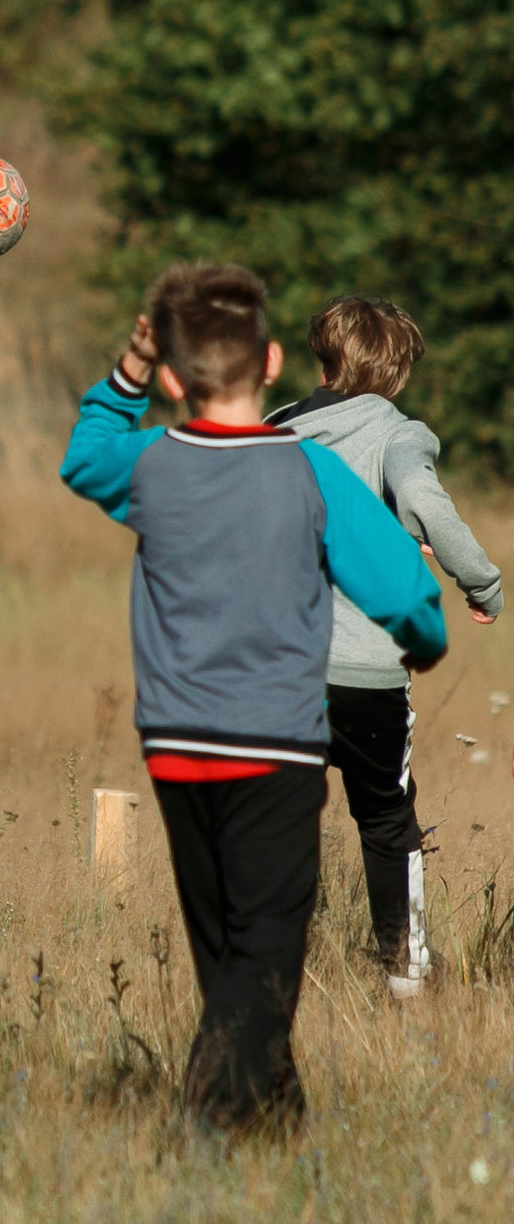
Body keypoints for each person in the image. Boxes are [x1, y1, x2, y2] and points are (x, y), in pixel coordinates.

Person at [61, 264, 446, 1133]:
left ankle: (275, 1121)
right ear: (273, 361)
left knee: (224, 944)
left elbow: (83, 456)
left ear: (170, 377)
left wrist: (123, 371)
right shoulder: (309, 470)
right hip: (275, 744)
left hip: (174, 746)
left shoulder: (151, 462)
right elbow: (403, 592)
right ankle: (211, 1110)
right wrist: (422, 642)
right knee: (268, 947)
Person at [265, 296, 500, 999]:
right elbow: (425, 502)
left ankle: (268, 970)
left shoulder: (275, 429)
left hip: (275, 669)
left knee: (275, 816)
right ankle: (406, 972)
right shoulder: (396, 431)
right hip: (364, 672)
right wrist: (482, 583)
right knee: (387, 817)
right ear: (396, 370)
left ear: (322, 356)